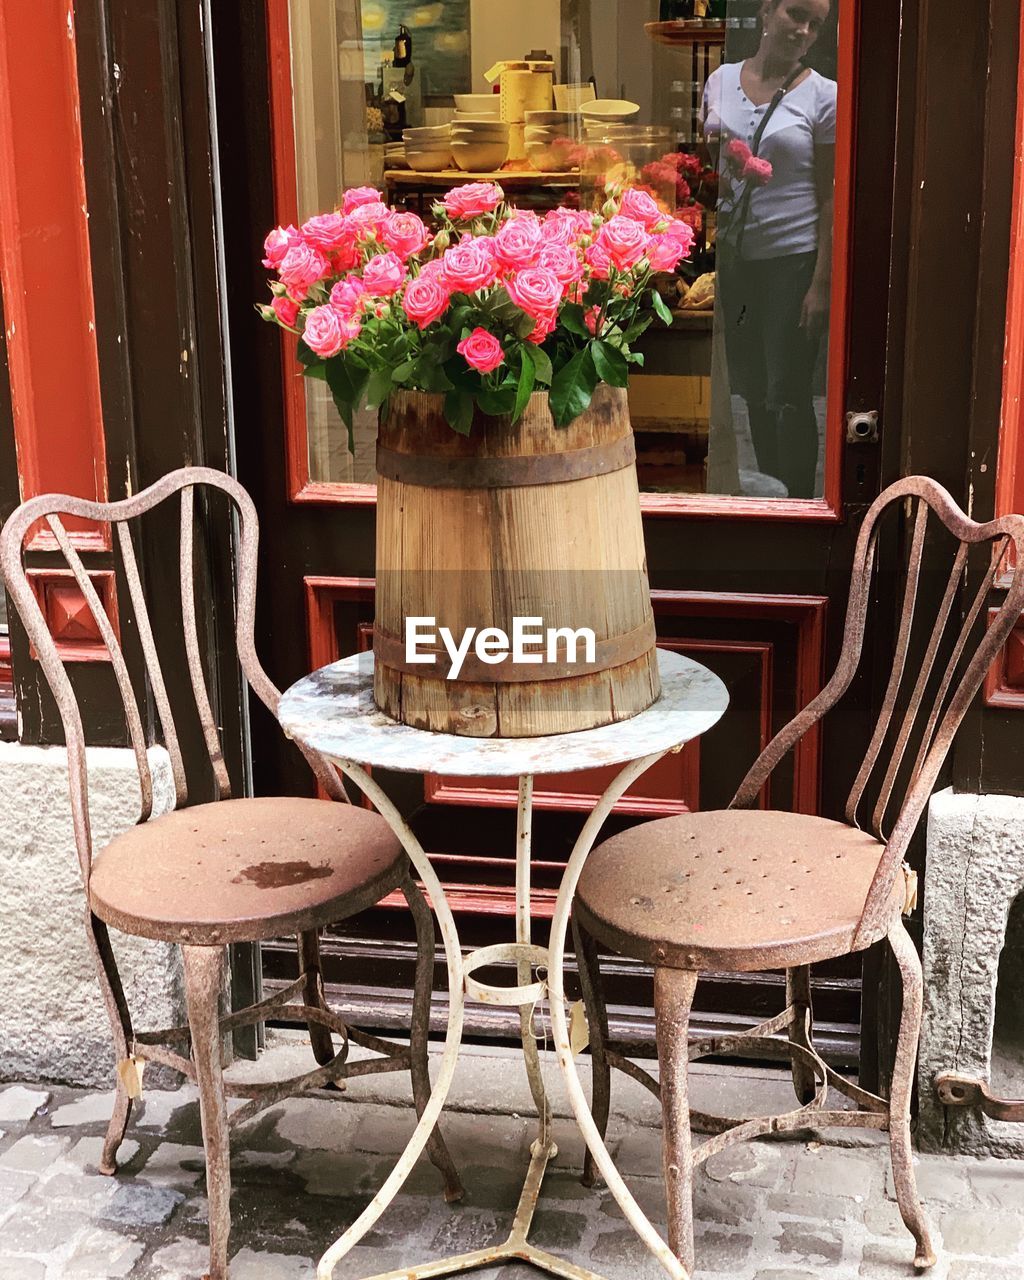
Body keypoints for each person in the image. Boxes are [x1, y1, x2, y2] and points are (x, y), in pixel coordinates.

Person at [701, 0, 835, 498]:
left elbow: (830, 193)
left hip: (793, 262)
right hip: (736, 262)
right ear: (765, 12)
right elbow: (704, 167)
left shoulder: (825, 96)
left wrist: (821, 282)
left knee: (789, 394)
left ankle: (800, 508)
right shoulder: (719, 81)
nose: (803, 30)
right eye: (795, 14)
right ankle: (772, 499)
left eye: (815, 24)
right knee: (753, 391)